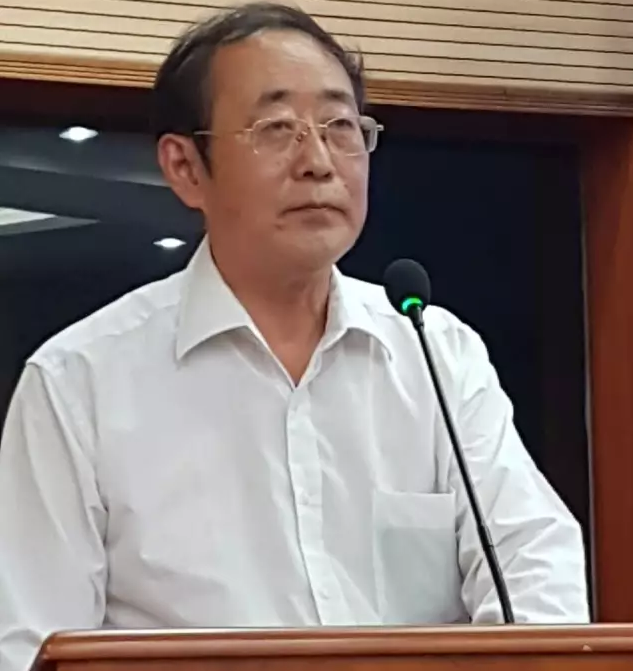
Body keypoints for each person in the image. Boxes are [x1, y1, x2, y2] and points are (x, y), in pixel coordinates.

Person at [0, 3, 589, 670]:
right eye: (276, 128)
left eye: (340, 126)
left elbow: (535, 569)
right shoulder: (78, 381)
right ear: (186, 167)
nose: (317, 161)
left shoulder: (435, 351)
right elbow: (29, 644)